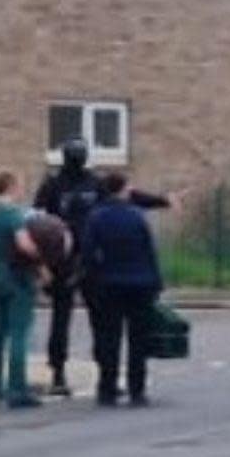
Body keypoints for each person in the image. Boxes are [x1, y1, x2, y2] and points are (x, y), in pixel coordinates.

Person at [34, 138, 173, 396]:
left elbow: (37, 221)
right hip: (90, 262)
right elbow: (130, 197)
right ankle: (101, 375)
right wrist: (162, 201)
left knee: (66, 319)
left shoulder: (52, 184)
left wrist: (41, 263)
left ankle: (61, 374)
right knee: (99, 321)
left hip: (64, 260)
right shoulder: (92, 183)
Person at [0, 172, 68, 409]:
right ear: (10, 186)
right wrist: (42, 263)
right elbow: (24, 245)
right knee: (19, 334)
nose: (21, 192)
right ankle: (17, 389)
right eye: (20, 187)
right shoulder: (12, 214)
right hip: (17, 279)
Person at [80, 171, 162, 407]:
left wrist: (91, 278)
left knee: (109, 338)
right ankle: (137, 389)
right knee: (138, 339)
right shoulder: (137, 217)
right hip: (140, 283)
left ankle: (107, 388)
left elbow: (88, 253)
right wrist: (156, 282)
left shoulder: (96, 218)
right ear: (123, 190)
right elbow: (149, 251)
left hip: (109, 283)